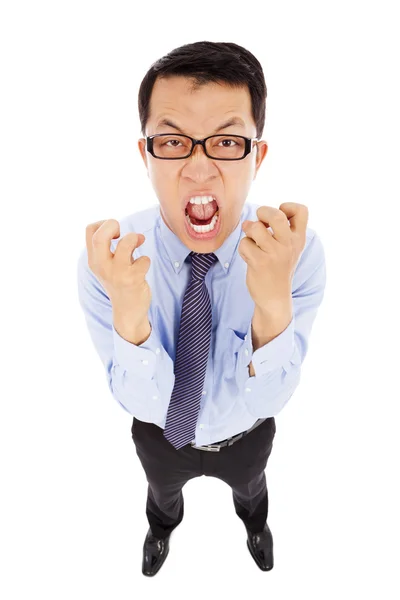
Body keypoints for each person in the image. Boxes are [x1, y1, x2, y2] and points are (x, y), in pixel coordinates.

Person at [77, 40, 326, 577]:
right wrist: (130, 316)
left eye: (227, 141)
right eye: (171, 141)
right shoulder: (112, 257)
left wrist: (273, 302)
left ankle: (255, 522)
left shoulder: (294, 251)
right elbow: (139, 403)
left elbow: (274, 397)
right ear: (145, 154)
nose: (198, 167)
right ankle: (162, 529)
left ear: (256, 157)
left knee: (252, 486)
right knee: (161, 494)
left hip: (246, 433)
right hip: (161, 434)